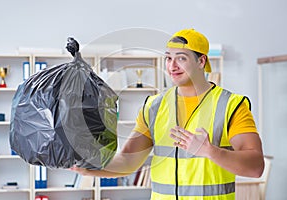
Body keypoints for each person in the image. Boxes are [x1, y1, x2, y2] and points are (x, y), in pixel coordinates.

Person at [71, 28, 264, 199]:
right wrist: (90, 167)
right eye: (168, 58)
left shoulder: (231, 105)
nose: (172, 66)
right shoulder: (154, 106)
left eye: (181, 58)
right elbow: (129, 161)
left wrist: (210, 151)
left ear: (201, 61)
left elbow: (256, 167)